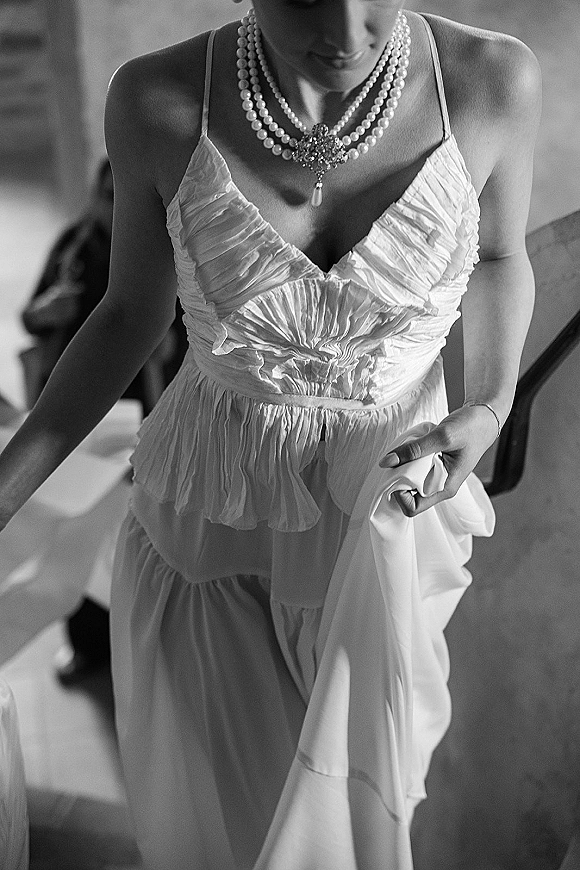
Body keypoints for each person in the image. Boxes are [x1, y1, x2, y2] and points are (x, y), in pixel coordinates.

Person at [0, 0, 541, 867]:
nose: (346, 30)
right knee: (228, 835)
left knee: (358, 830)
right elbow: (128, 313)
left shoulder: (491, 82)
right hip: (207, 534)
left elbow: (500, 258)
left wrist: (492, 401)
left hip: (382, 529)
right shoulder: (155, 101)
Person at [20, 158, 188, 684]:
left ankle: (146, 644)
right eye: (108, 196)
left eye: (127, 197)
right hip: (87, 416)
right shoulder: (77, 246)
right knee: (80, 536)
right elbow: (32, 313)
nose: (117, 209)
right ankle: (90, 645)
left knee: (141, 535)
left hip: (151, 411)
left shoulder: (174, 251)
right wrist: (48, 310)